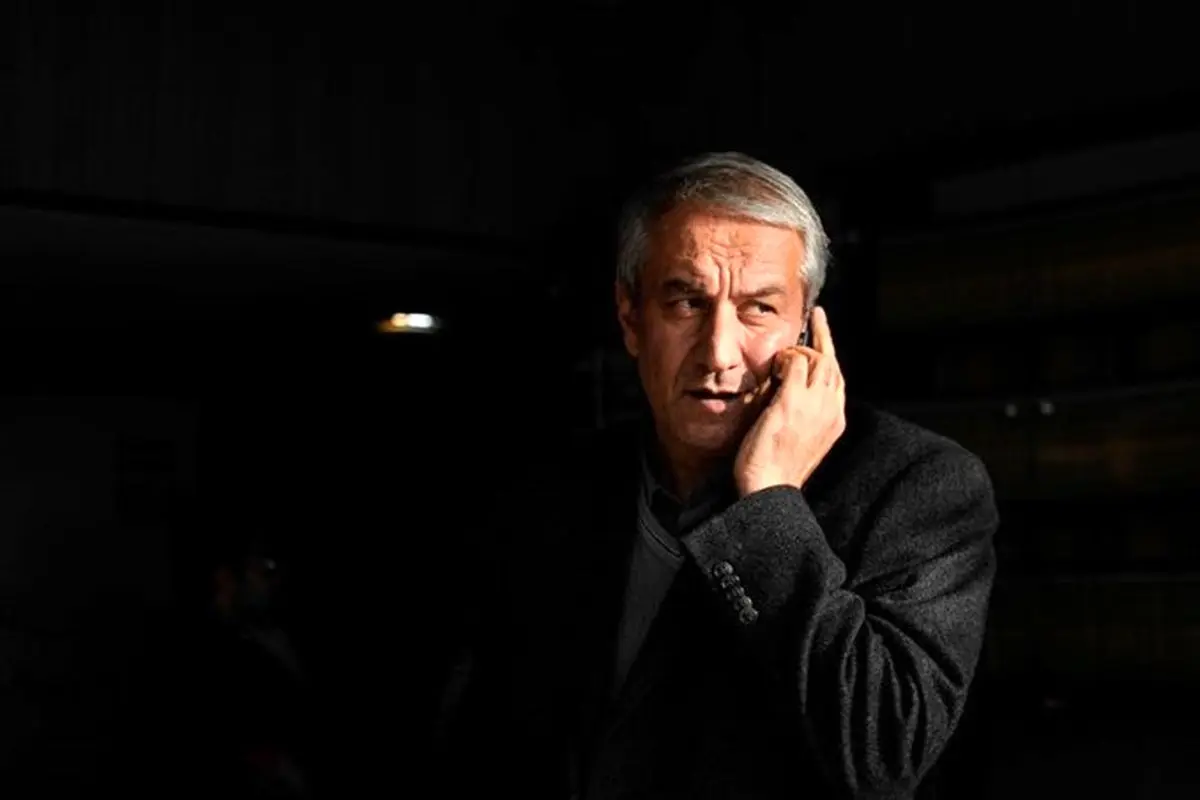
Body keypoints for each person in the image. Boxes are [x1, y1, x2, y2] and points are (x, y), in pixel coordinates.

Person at [432, 152, 999, 799]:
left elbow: (882, 754)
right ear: (631, 319)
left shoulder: (918, 485)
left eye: (758, 309)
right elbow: (478, 736)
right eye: (686, 302)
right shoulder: (551, 491)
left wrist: (770, 503)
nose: (718, 353)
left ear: (806, 329)